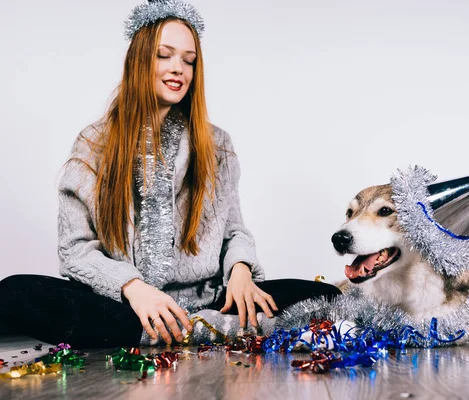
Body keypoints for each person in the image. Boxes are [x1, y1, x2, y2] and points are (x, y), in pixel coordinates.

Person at [0, 0, 340, 348]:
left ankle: (177, 329)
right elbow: (74, 250)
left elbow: (234, 230)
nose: (178, 68)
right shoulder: (94, 143)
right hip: (123, 305)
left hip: (209, 299)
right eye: (164, 55)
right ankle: (196, 330)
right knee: (14, 292)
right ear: (139, 61)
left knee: (323, 295)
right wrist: (132, 288)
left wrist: (240, 270)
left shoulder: (217, 144)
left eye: (189, 60)